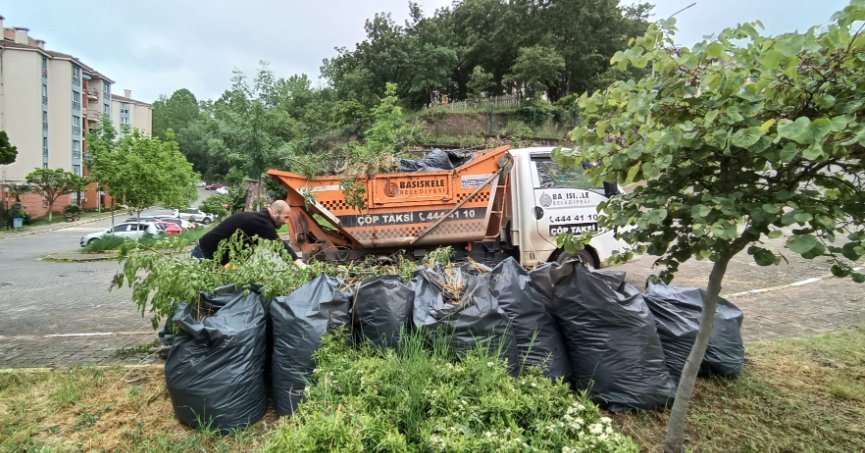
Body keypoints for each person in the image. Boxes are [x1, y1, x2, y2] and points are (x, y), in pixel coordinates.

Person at [191, 199, 304, 266]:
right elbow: (279, 245)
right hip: (205, 254)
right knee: (199, 294)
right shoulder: (260, 222)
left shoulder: (259, 221)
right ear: (275, 213)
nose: (286, 222)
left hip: (216, 258)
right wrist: (299, 263)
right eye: (285, 217)